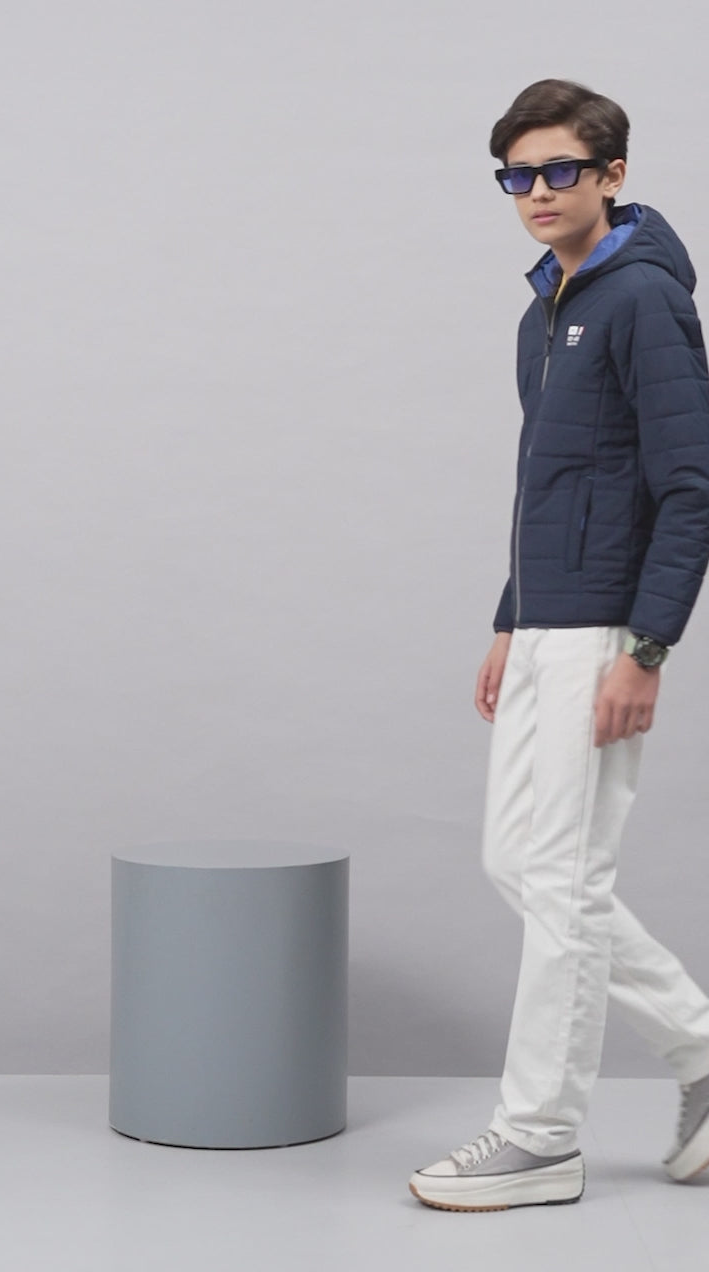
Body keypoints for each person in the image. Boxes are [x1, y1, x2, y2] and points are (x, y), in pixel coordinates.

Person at [409, 79, 709, 1212]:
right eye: (517, 176)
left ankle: (540, 1135)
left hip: (605, 631)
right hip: (545, 622)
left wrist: (648, 646)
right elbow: (554, 480)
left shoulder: (645, 302)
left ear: (613, 175)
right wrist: (509, 617)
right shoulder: (547, 309)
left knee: (566, 884)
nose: (537, 192)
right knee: (523, 867)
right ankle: (703, 1048)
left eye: (560, 171)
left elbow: (691, 488)